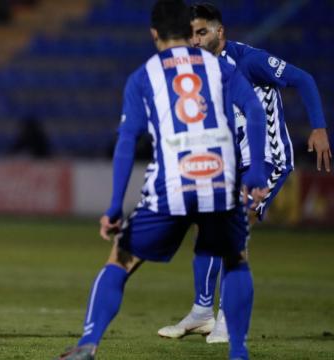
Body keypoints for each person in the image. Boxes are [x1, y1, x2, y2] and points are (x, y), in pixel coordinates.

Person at [56, 0, 269, 359]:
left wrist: (113, 207)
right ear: (190, 33)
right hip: (219, 183)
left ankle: (88, 344)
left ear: (154, 34)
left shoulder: (143, 76)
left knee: (120, 261)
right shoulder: (219, 69)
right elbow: (255, 111)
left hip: (171, 186)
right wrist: (259, 170)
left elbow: (127, 143)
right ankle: (238, 351)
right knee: (236, 258)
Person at [157, 2, 332, 344]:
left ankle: (228, 319)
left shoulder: (249, 60)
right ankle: (203, 312)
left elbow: (303, 79)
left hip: (266, 161)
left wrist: (319, 127)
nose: (194, 40)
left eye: (202, 32)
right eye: (190, 33)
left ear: (220, 32)